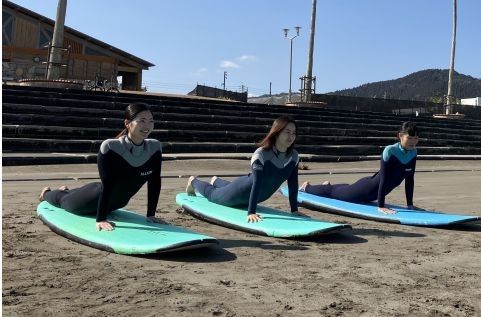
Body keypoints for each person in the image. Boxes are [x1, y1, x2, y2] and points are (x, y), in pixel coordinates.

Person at [39, 103, 164, 231]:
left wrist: (151, 215)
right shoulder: (111, 147)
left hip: (116, 203)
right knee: (63, 200)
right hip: (89, 201)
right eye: (142, 121)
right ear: (127, 123)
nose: (147, 126)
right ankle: (46, 194)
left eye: (151, 121)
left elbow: (154, 181)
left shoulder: (154, 148)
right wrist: (101, 219)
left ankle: (65, 190)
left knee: (71, 194)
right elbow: (108, 185)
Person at [187, 116, 301, 221]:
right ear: (276, 133)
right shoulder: (261, 154)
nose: (291, 136)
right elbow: (257, 183)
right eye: (287, 132)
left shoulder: (294, 157)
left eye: (294, 133)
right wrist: (251, 212)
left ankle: (216, 180)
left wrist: (294, 210)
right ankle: (193, 181)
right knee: (212, 195)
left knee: (226, 188)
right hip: (239, 193)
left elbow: (293, 185)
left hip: (256, 196)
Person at [300, 122, 420, 215]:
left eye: (416, 138)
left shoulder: (413, 153)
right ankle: (307, 187)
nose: (413, 142)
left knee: (345, 188)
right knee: (333, 193)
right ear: (400, 136)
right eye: (409, 138)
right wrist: (381, 206)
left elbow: (410, 180)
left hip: (372, 194)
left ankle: (327, 184)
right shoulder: (390, 151)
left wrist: (410, 204)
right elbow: (384, 178)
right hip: (365, 190)